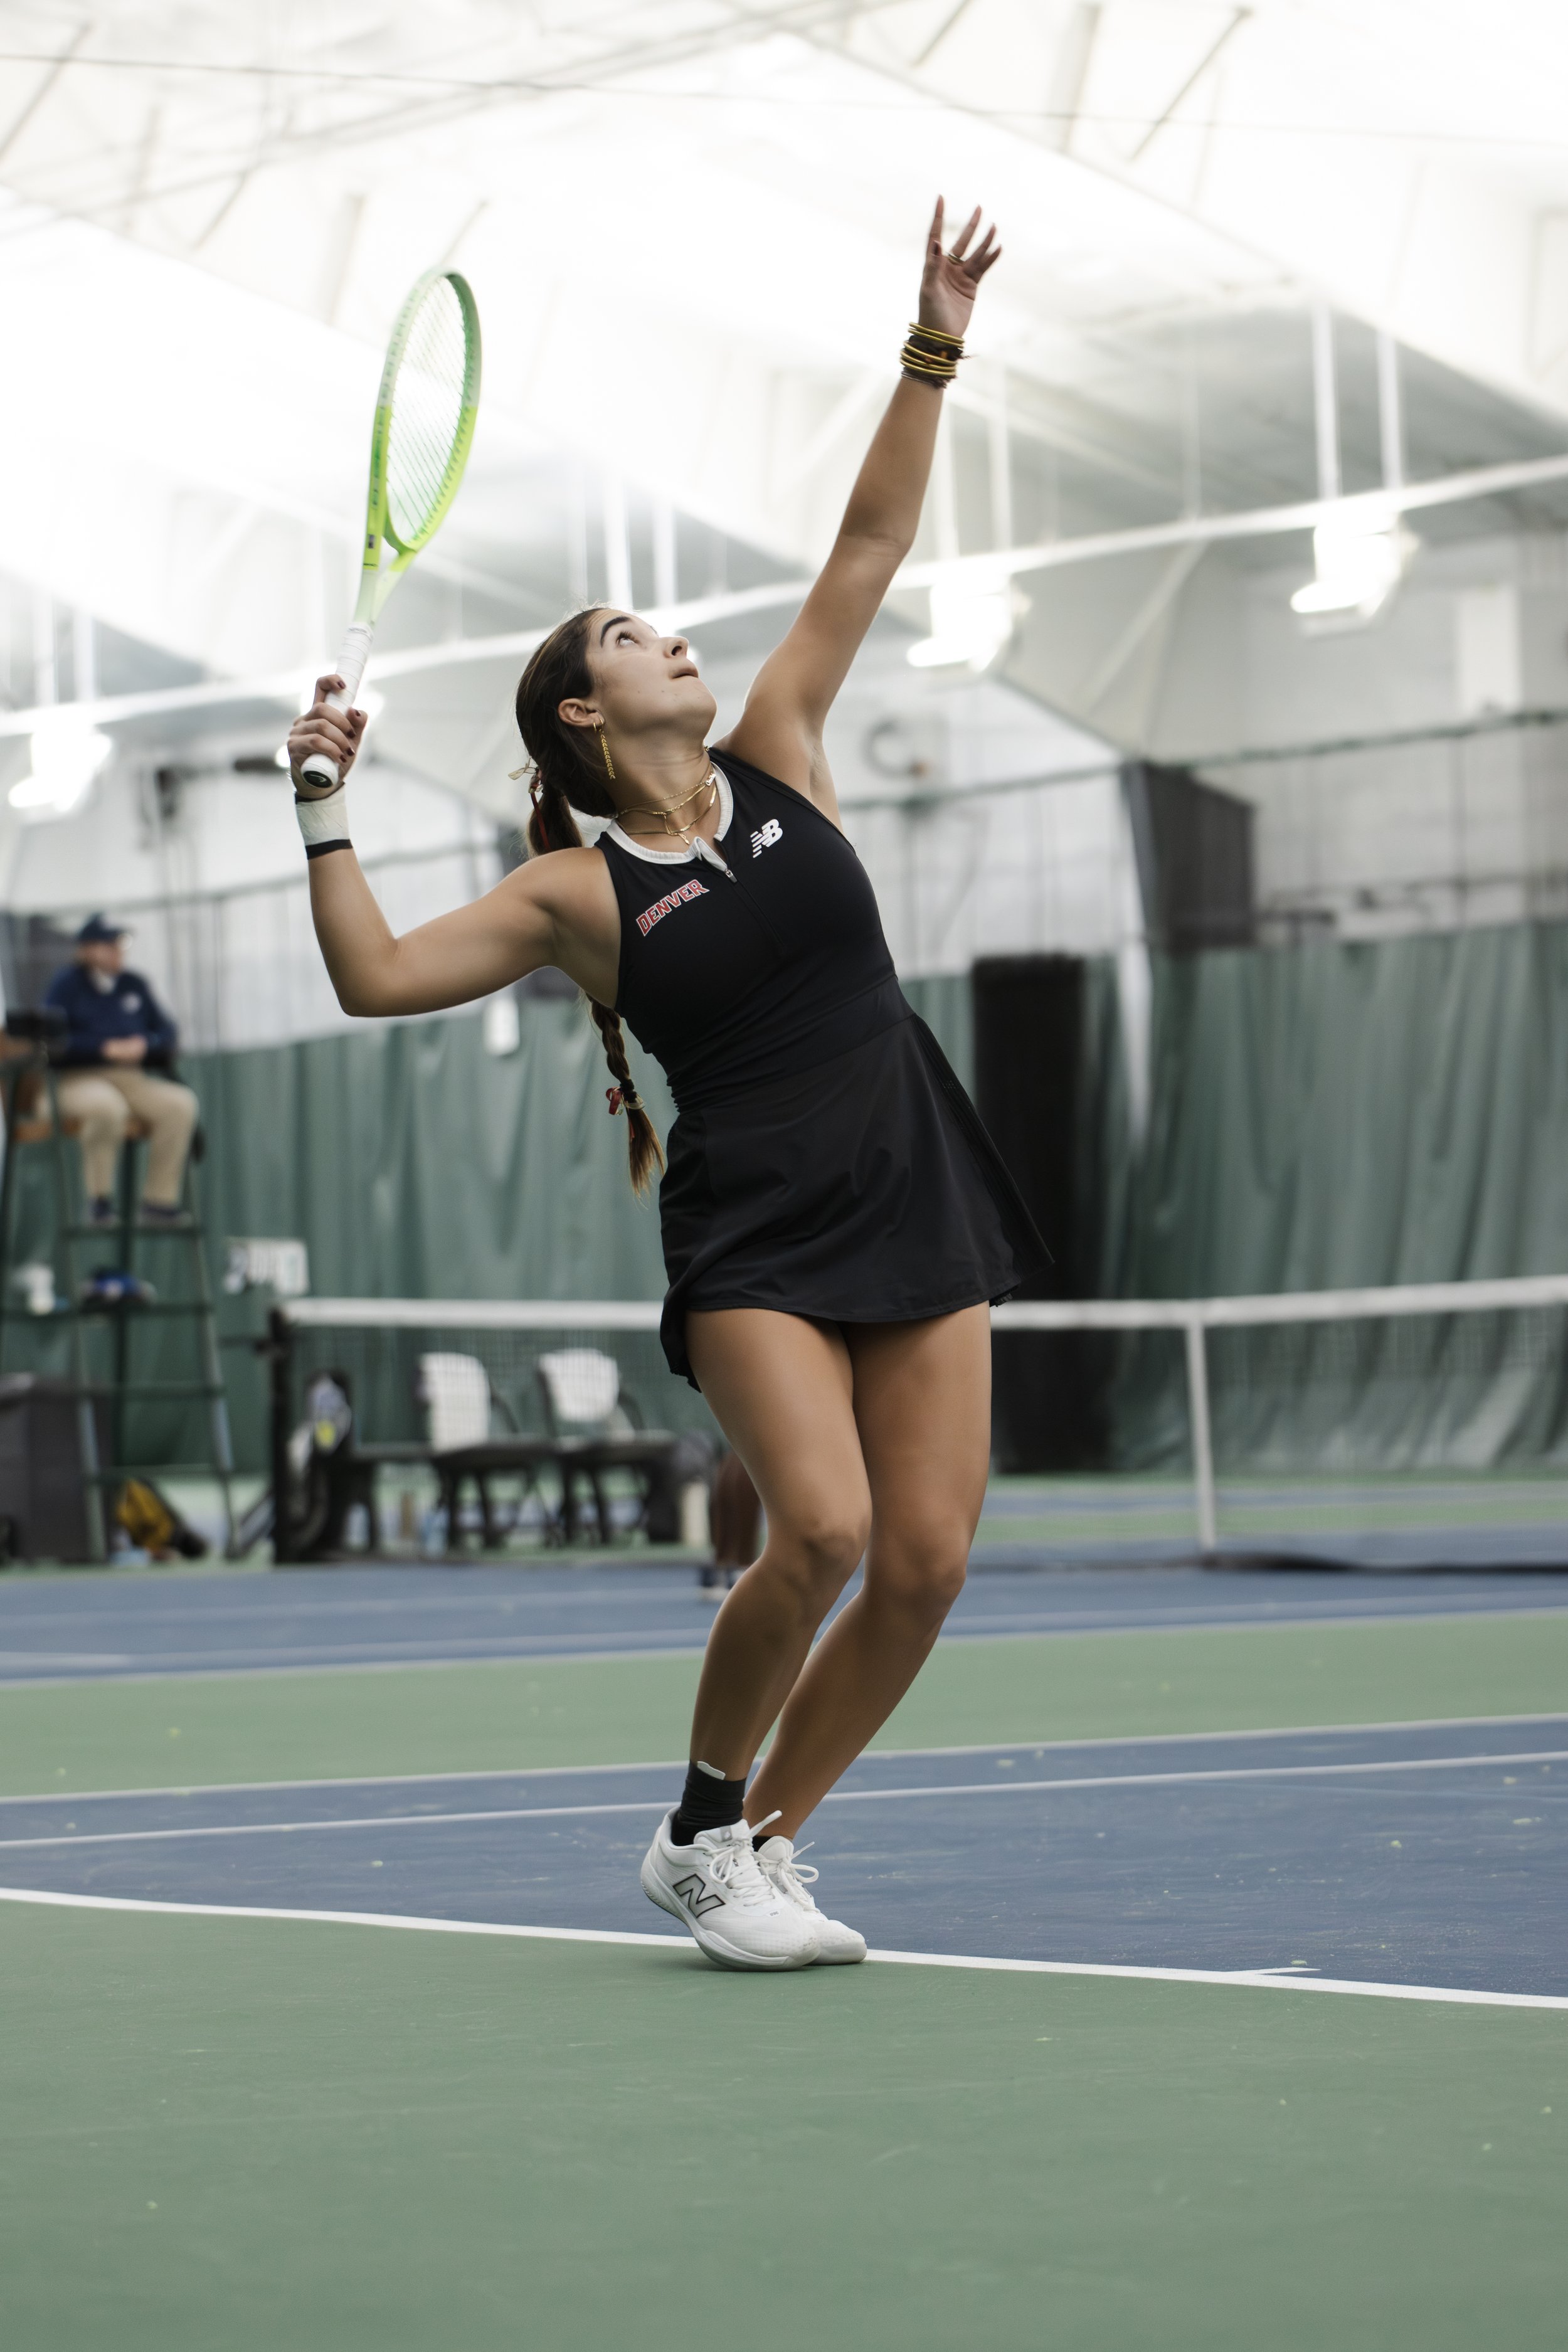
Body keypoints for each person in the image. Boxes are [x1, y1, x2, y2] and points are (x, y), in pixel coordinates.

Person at [287, 199, 1044, 1971]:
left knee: (925, 1558)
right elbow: (376, 974)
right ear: (578, 709)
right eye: (632, 633)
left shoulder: (780, 754)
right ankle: (700, 1824)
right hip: (758, 1221)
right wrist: (322, 801)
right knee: (829, 1525)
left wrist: (931, 342)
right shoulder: (577, 890)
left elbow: (867, 539)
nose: (674, 639)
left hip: (910, 1167)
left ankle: (767, 1844)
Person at [44, 916, 198, 1226]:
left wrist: (145, 1044)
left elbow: (167, 1031)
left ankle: (158, 1202)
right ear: (87, 950)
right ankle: (99, 1200)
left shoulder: (133, 984)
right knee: (107, 1108)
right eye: (108, 944)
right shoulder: (66, 986)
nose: (117, 951)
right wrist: (102, 1047)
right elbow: (51, 1039)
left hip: (131, 1077)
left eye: (119, 944)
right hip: (80, 1078)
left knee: (180, 1104)